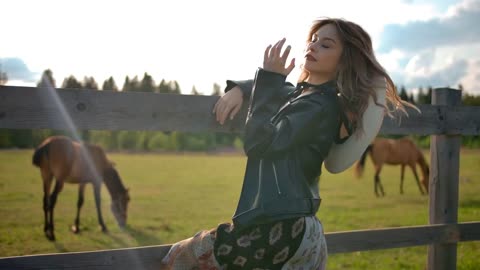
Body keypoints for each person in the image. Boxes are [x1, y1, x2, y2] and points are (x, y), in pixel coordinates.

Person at [160, 17, 414, 270]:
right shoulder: (305, 97)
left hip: (278, 230)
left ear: (344, 61)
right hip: (303, 231)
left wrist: (270, 77)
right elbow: (282, 92)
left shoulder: (318, 105)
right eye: (313, 41)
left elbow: (259, 142)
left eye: (326, 45)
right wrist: (241, 88)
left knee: (178, 258)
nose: (313, 47)